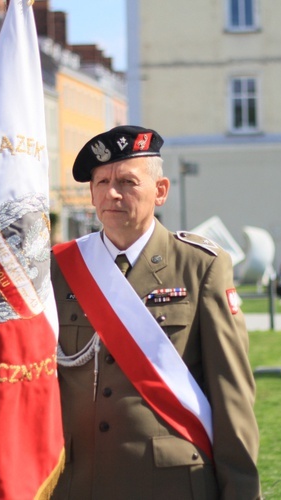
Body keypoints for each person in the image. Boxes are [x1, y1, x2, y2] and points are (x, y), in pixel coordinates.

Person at [51, 126, 261, 499]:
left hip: (171, 482)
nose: (111, 193)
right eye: (101, 182)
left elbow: (232, 394)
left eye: (127, 182)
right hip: (80, 480)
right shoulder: (59, 269)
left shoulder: (200, 267)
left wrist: (241, 492)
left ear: (160, 191)